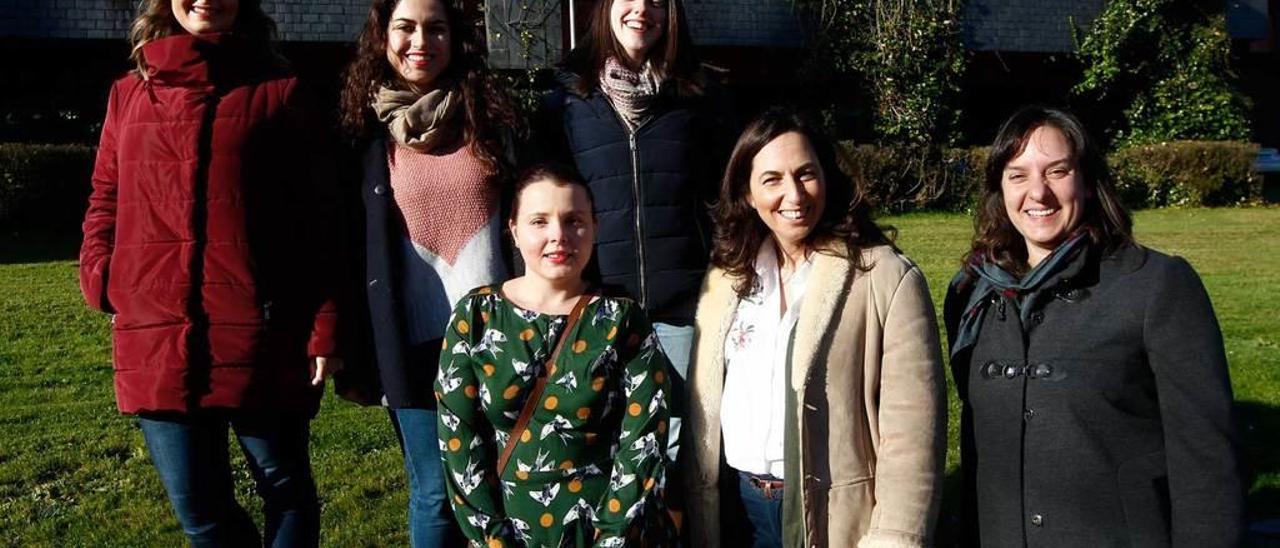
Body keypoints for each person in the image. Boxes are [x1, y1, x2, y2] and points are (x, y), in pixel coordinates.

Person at [78, 0, 341, 545]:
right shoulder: (130, 93)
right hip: (156, 328)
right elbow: (107, 195)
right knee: (199, 512)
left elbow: (320, 219)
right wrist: (103, 277)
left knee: (285, 491)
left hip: (261, 328)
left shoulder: (280, 92)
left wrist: (325, 322)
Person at [943, 106, 1243, 546]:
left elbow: (1206, 459)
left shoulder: (1155, 285)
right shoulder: (972, 294)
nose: (1038, 193)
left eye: (1057, 171)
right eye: (1018, 175)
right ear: (999, 188)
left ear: (1085, 178)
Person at [685, 108, 947, 548]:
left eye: (806, 174)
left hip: (834, 517)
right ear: (746, 193)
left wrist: (894, 537)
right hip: (739, 509)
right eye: (772, 179)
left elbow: (914, 435)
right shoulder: (727, 279)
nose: (794, 194)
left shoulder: (884, 278)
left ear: (827, 178)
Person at [336, 0, 523, 544]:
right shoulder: (360, 134)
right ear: (382, 36)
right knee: (436, 494)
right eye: (406, 27)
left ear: (455, 38)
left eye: (435, 28)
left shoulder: (494, 120)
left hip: (498, 342)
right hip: (411, 349)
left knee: (503, 483)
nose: (421, 41)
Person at [539, 0, 735, 470]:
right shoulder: (566, 103)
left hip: (682, 314)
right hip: (596, 314)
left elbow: (724, 199)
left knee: (682, 458)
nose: (642, 10)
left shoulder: (699, 99)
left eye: (657, 2)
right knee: (605, 457)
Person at [436, 164, 676, 547]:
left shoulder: (622, 318)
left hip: (612, 531)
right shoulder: (476, 317)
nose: (558, 236)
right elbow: (458, 439)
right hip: (513, 533)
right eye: (539, 221)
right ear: (513, 229)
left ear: (595, 227)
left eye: (573, 220)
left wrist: (613, 538)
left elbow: (645, 437)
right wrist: (493, 539)